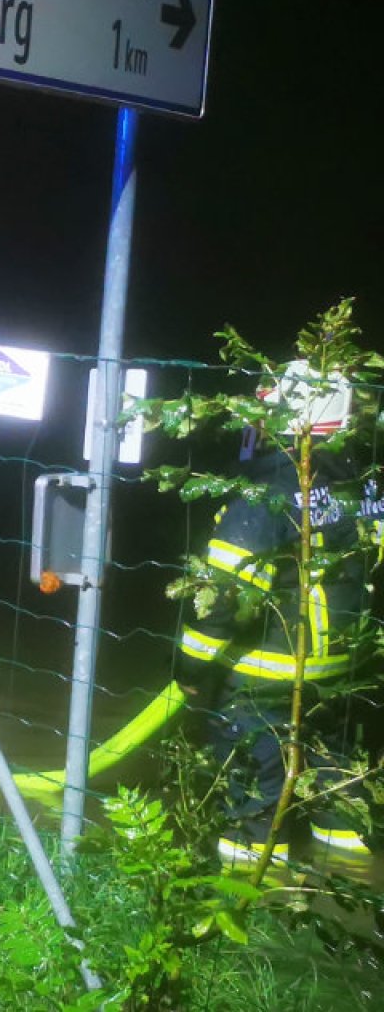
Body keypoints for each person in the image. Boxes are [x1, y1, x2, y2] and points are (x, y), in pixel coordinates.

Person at [176, 363, 380, 864]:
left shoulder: (264, 493)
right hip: (340, 673)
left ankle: (258, 899)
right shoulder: (365, 483)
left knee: (255, 797)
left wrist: (190, 671)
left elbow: (224, 596)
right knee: (336, 779)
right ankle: (351, 870)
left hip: (265, 678)